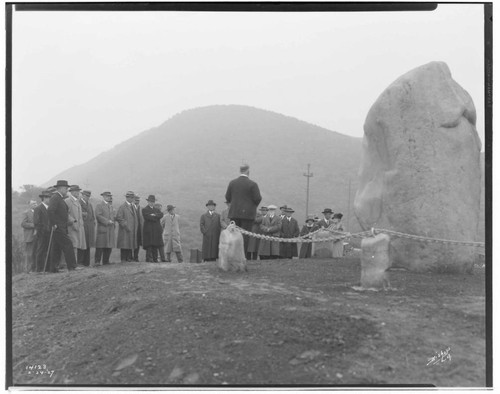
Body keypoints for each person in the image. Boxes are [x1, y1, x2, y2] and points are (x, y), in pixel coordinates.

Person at [225, 164, 262, 258]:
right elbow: (258, 198)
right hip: (248, 216)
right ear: (248, 172)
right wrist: (251, 207)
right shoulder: (253, 184)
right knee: (245, 238)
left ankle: (233, 257)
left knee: (234, 237)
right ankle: (242, 258)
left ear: (240, 171)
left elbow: (227, 197)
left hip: (234, 214)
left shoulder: (232, 183)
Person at [47, 180, 79, 271]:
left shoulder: (59, 198)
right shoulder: (55, 197)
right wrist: (54, 224)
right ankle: (72, 266)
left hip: (61, 226)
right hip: (58, 227)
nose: (67, 190)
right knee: (68, 244)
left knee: (56, 247)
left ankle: (53, 268)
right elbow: (50, 211)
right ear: (60, 188)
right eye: (65, 188)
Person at [65, 185, 87, 264]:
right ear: (72, 192)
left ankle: (75, 264)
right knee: (73, 245)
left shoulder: (77, 201)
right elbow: (65, 214)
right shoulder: (67, 201)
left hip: (79, 227)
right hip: (72, 227)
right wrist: (73, 221)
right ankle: (72, 264)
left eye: (78, 191)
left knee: (77, 245)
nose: (78, 193)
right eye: (76, 191)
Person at [116, 191, 138, 263]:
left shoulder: (133, 207)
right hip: (125, 230)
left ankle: (129, 258)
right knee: (124, 244)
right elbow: (119, 217)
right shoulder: (122, 207)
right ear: (127, 198)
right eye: (130, 197)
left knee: (130, 244)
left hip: (132, 229)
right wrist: (125, 225)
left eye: (132, 197)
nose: (132, 199)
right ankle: (123, 259)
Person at [33, 190, 52, 272]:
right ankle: (39, 269)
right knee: (41, 250)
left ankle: (47, 268)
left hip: (49, 232)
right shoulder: (38, 208)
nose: (50, 200)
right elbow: (36, 222)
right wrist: (41, 231)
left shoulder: (50, 208)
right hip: (42, 233)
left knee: (48, 250)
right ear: (44, 198)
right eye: (48, 198)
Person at [94, 191, 116, 265]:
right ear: (103, 196)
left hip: (110, 229)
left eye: (109, 196)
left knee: (108, 245)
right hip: (103, 228)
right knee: (100, 246)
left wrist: (113, 223)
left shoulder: (111, 206)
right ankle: (97, 262)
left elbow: (113, 216)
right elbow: (98, 216)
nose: (108, 197)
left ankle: (106, 261)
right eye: (107, 196)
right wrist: (107, 221)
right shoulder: (99, 205)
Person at [142, 195, 164, 262]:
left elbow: (161, 214)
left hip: (156, 230)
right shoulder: (144, 209)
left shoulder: (156, 209)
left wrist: (154, 215)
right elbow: (147, 217)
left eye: (153, 201)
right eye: (150, 201)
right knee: (149, 245)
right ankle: (148, 259)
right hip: (148, 230)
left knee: (155, 245)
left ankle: (155, 259)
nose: (152, 203)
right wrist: (155, 216)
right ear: (148, 202)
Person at [78, 190, 95, 266]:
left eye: (88, 196)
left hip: (89, 227)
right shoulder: (79, 203)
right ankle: (80, 262)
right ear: (83, 195)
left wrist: (93, 222)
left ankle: (86, 263)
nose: (88, 197)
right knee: (82, 245)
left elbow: (92, 216)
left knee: (88, 245)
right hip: (83, 227)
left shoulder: (90, 204)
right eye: (86, 196)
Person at [21, 200, 37, 272]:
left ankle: (34, 268)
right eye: (33, 203)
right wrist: (33, 225)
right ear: (29, 205)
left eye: (36, 203)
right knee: (29, 253)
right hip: (29, 236)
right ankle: (27, 269)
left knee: (36, 252)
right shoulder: (26, 213)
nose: (35, 204)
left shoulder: (38, 212)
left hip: (37, 235)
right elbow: (23, 224)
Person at [133, 195, 143, 262]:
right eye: (136, 200)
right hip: (133, 228)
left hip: (139, 228)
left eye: (138, 200)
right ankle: (130, 257)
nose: (137, 201)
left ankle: (136, 257)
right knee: (132, 243)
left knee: (138, 243)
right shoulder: (131, 207)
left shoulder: (140, 208)